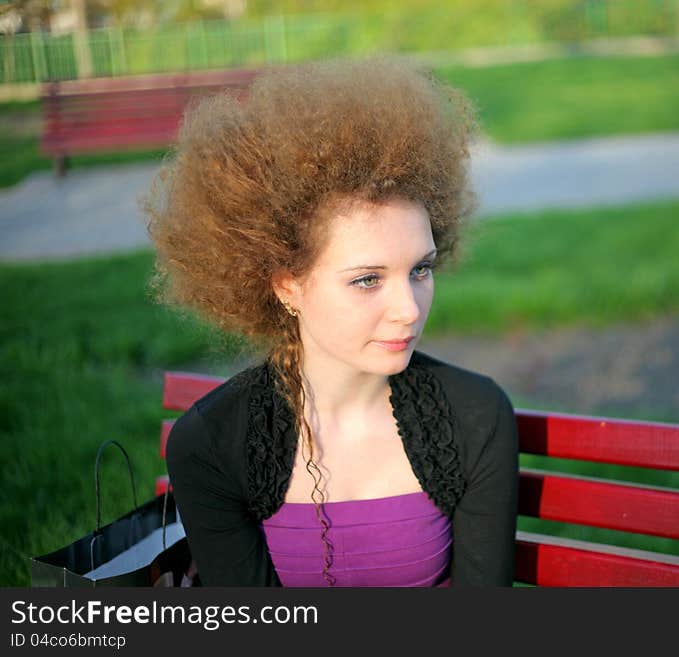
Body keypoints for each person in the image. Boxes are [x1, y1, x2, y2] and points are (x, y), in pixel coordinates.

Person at [144, 56, 520, 587]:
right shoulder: (212, 443)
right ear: (286, 284)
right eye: (368, 279)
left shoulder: (475, 418)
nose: (409, 309)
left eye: (421, 269)